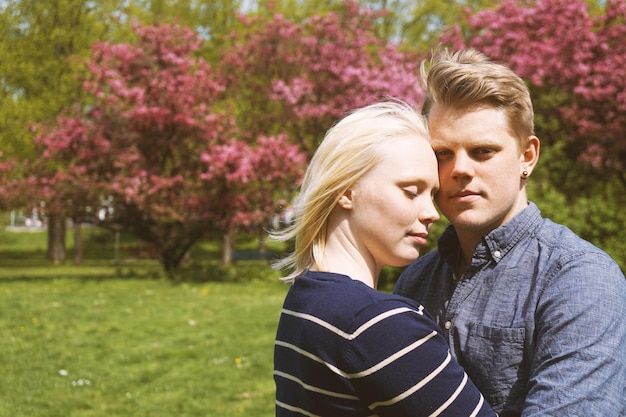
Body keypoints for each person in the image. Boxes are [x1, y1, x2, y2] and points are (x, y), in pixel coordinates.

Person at [394, 48, 626, 416]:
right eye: (442, 154)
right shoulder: (414, 284)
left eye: (483, 151)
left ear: (527, 157)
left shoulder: (580, 279)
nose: (460, 169)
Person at [272, 101, 496, 416]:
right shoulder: (377, 326)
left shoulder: (304, 299)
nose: (432, 213)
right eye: (410, 191)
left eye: (431, 194)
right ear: (347, 191)